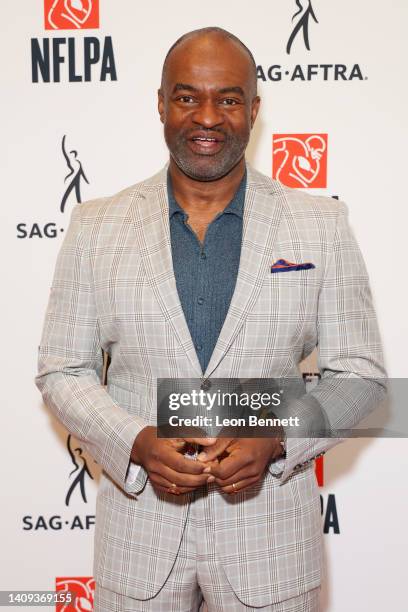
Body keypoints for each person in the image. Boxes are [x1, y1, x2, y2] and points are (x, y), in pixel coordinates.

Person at [35, 27, 386, 612]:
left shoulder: (318, 225)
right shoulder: (97, 226)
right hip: (138, 539)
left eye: (226, 98)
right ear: (160, 103)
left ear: (253, 109)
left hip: (270, 541)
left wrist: (276, 438)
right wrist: (136, 442)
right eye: (186, 96)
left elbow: (360, 375)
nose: (207, 116)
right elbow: (62, 369)